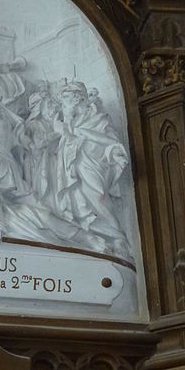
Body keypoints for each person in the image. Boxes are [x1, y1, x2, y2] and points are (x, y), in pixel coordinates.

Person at [52, 80, 130, 257]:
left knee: (99, 199)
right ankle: (91, 238)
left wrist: (116, 154)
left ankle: (117, 237)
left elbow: (110, 142)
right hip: (74, 171)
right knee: (80, 204)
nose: (63, 105)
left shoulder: (99, 118)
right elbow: (68, 142)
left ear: (78, 99)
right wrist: (65, 127)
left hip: (94, 166)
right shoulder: (69, 122)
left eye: (65, 100)